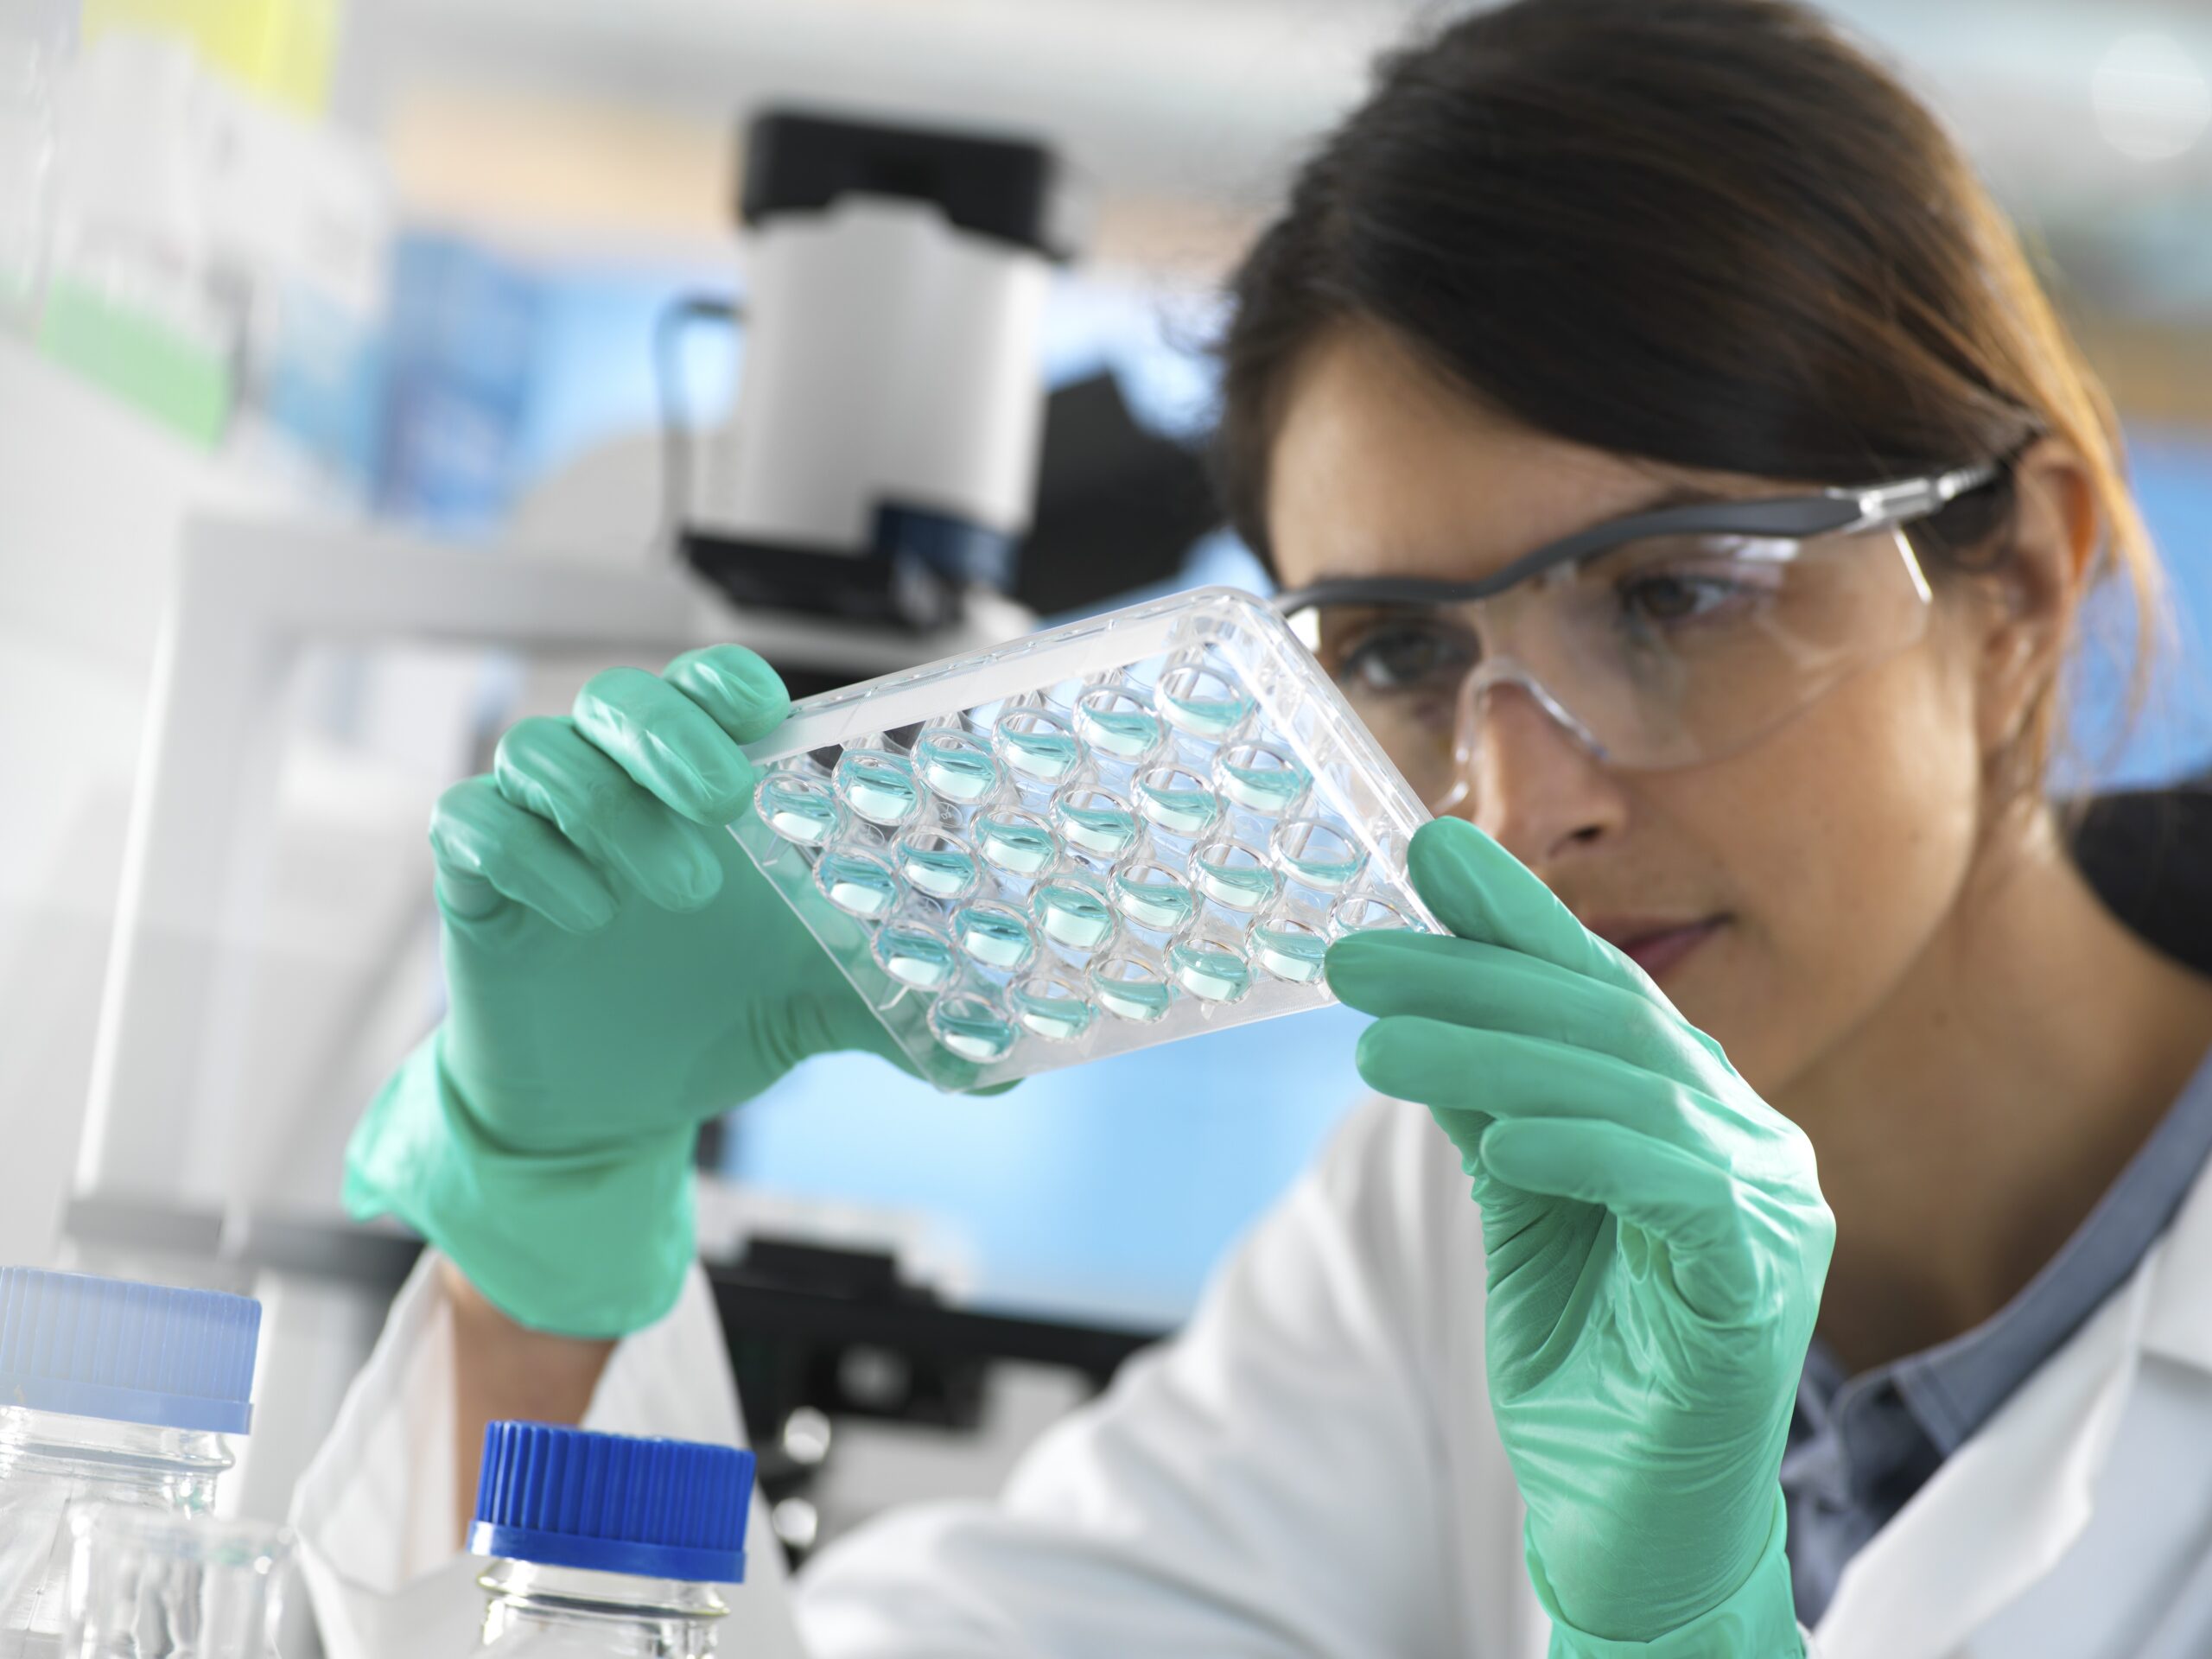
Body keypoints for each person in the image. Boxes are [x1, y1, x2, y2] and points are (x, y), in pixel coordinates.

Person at [296, 0, 2212, 1653]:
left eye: (1670, 597)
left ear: (2021, 585)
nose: (1514, 800)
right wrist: (540, 1257)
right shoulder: (1452, 1215)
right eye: (1391, 651)